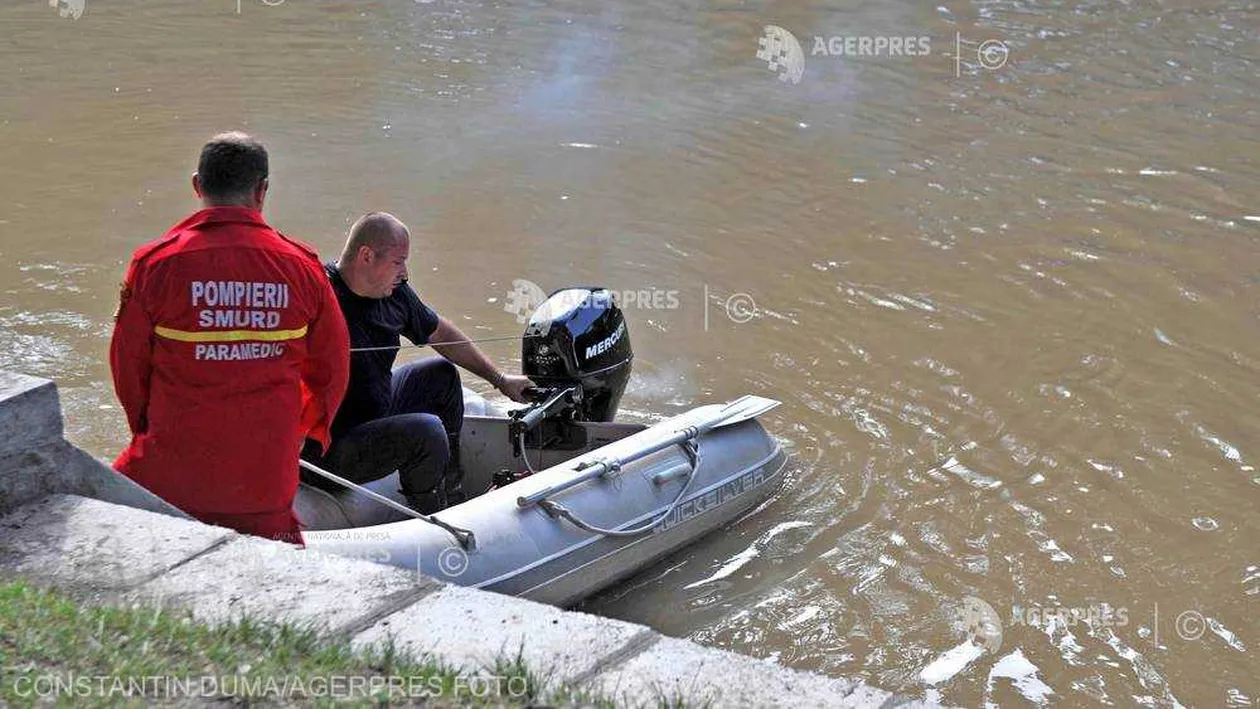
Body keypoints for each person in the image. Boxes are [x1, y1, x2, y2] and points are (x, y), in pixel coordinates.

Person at [110, 132, 350, 543]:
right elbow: (332, 370)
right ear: (262, 190)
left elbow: (127, 370)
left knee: (97, 506)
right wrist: (295, 435)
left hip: (169, 472)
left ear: (198, 185)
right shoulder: (302, 267)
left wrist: (150, 432)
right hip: (265, 481)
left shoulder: (155, 264)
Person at [300, 211, 532, 512]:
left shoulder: (393, 293)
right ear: (366, 256)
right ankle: (430, 516)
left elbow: (440, 331)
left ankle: (452, 492)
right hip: (328, 447)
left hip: (374, 413)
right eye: (398, 262)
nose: (405, 273)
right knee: (427, 431)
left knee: (441, 375)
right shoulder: (316, 296)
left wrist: (499, 379)